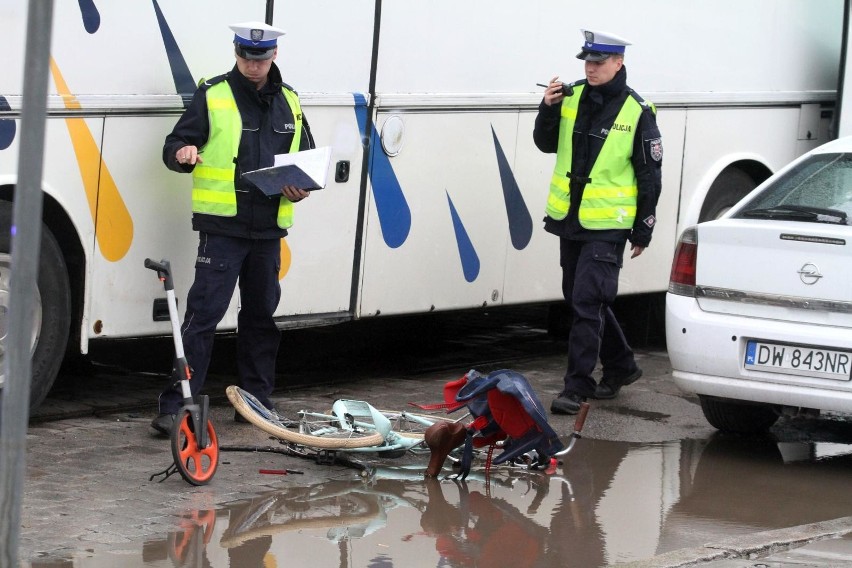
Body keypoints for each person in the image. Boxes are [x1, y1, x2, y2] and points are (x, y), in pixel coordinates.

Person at [151, 20, 315, 435]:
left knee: (261, 318)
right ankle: (176, 407)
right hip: (223, 229)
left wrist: (300, 188)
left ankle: (256, 404)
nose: (252, 65)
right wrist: (184, 153)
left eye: (259, 58)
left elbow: (309, 161)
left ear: (273, 56)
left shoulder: (291, 102)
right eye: (244, 56)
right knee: (202, 318)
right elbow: (175, 144)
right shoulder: (213, 94)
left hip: (267, 232)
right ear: (236, 53)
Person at [533, 29, 662, 415]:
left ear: (619, 63)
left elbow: (650, 174)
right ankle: (622, 366)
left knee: (588, 302)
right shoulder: (570, 96)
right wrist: (547, 108)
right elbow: (545, 142)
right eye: (587, 62)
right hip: (571, 219)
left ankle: (577, 387)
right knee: (580, 298)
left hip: (608, 225)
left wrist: (644, 227)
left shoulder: (637, 110)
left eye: (599, 62)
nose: (590, 68)